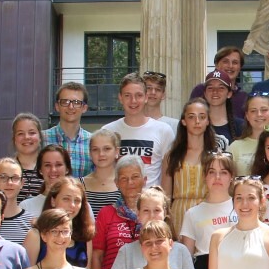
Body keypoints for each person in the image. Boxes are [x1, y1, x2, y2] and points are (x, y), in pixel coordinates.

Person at [90, 156, 146, 269]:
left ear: (144, 179)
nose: (130, 183)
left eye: (135, 177)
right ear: (116, 183)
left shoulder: (153, 211)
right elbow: (97, 256)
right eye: (124, 178)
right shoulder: (106, 213)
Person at [100, 73, 174, 185]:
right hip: (117, 195)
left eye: (138, 95)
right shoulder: (107, 131)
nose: (133, 101)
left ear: (146, 97)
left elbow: (168, 174)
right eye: (127, 95)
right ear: (120, 98)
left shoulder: (164, 130)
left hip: (150, 195)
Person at [162, 99, 216, 233]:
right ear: (184, 121)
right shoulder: (171, 156)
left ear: (208, 121)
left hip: (207, 213)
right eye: (191, 117)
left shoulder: (215, 156)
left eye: (202, 117)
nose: (197, 121)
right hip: (179, 214)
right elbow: (166, 196)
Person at [24, 176, 95, 269]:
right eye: (66, 199)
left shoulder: (85, 236)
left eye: (77, 200)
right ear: (53, 201)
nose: (72, 205)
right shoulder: (35, 235)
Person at [43, 83, 93, 177]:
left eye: (76, 102)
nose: (70, 107)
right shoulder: (42, 139)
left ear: (84, 108)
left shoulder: (93, 142)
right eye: (65, 102)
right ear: (57, 106)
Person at [188, 46, 249, 121]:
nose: (230, 66)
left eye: (235, 62)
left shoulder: (244, 97)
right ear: (217, 65)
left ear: (240, 67)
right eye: (225, 61)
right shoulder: (200, 90)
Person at [18, 145, 71, 219]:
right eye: (47, 165)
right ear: (40, 170)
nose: (53, 170)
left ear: (67, 169)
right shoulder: (26, 206)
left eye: (58, 165)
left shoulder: (76, 204)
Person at [225, 93, 269, 175]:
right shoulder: (235, 147)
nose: (259, 114)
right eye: (253, 111)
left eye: (264, 110)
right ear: (247, 115)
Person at [82, 130, 123, 219]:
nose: (101, 154)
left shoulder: (125, 183)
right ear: (90, 153)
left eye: (107, 149)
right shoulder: (79, 184)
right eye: (95, 149)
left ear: (117, 151)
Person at [201, 69, 243, 147]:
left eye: (221, 88)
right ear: (205, 94)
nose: (215, 91)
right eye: (210, 88)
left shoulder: (241, 126)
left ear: (229, 94)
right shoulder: (197, 124)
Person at [10, 113, 44, 201]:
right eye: (20, 133)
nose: (26, 137)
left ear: (40, 137)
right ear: (14, 139)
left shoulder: (50, 169)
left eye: (32, 133)